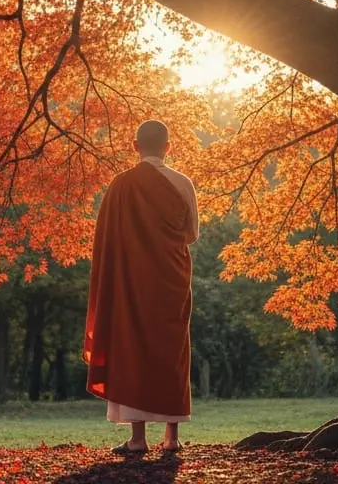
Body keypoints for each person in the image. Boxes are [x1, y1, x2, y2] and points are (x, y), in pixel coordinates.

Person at [82, 119, 200, 455]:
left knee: (132, 349)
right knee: (172, 351)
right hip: (172, 280)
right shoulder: (182, 183)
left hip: (131, 281)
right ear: (168, 147)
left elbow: (108, 240)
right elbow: (191, 234)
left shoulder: (121, 186)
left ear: (135, 147)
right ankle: (172, 437)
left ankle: (137, 439)